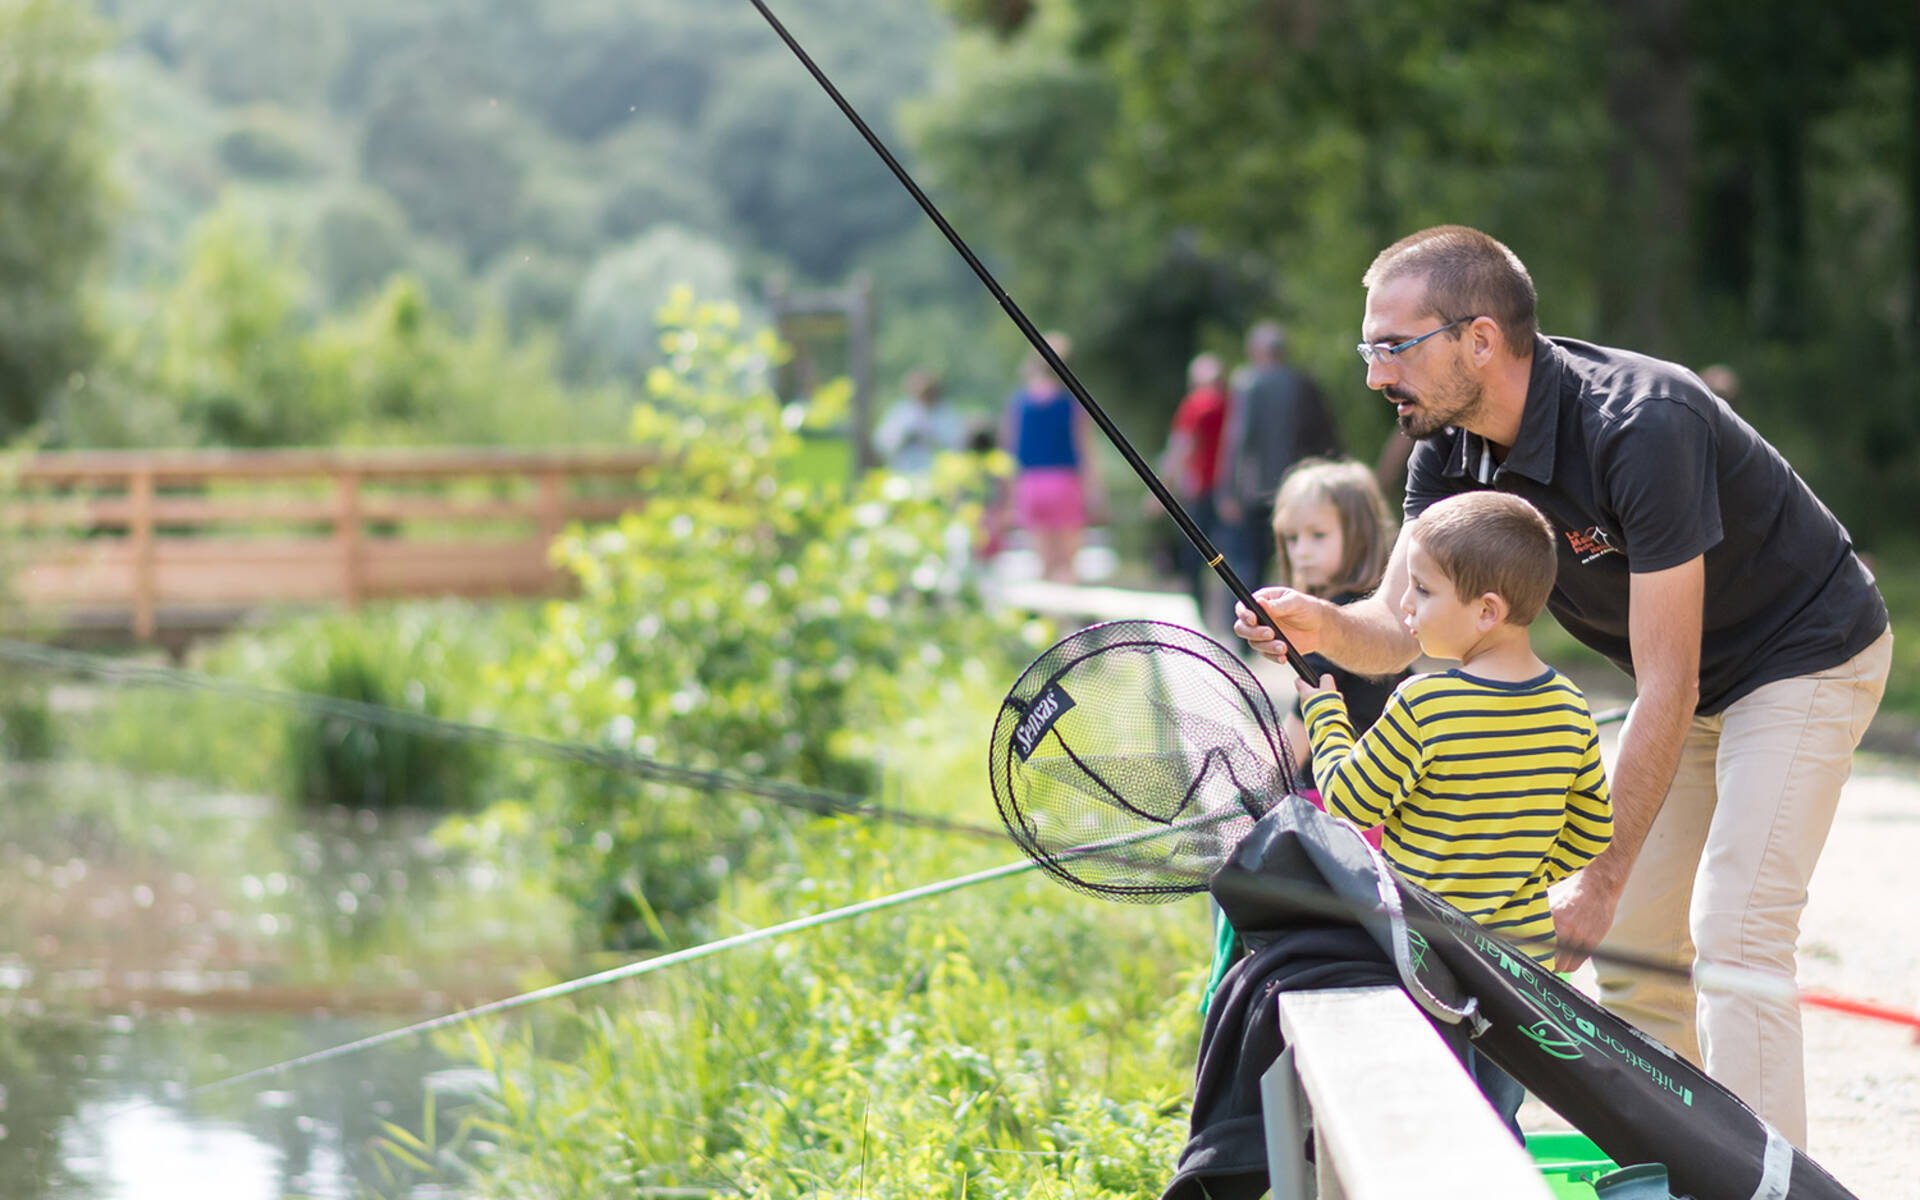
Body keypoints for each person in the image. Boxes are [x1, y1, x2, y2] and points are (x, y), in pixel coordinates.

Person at [1235, 224, 1892, 1147]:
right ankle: (1687, 1163)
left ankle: (1769, 1182)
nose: (1376, 374)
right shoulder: (1447, 449)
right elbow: (1397, 631)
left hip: (1803, 652)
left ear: (1479, 340)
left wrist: (1602, 876)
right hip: (1691, 683)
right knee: (1639, 959)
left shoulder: (1641, 424)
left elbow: (1669, 677)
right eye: (1368, 348)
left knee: (1735, 933)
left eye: (1394, 346)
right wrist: (1319, 625)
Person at [1295, 488, 1614, 1136]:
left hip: (1427, 960)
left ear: (1486, 611)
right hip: (1523, 967)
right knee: (1496, 1122)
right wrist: (1516, 861)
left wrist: (1323, 714)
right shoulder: (1568, 706)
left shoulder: (1424, 704)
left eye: (1422, 590)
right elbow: (1590, 830)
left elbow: (1350, 798)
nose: (1404, 607)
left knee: (1428, 1122)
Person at [1266, 457, 1407, 790]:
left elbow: (1300, 726)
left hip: (1336, 794)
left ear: (1359, 535)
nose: (1301, 551)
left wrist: (1263, 786)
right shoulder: (1377, 613)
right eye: (1292, 538)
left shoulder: (1335, 622)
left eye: (1318, 535)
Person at [1213, 322, 1340, 621]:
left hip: (1255, 491)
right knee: (1298, 559)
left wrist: (1227, 490)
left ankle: (1245, 625)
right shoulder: (1303, 383)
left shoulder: (1248, 383)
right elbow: (1326, 438)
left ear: (1257, 351)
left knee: (1248, 561)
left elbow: (1238, 440)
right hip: (1297, 489)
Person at [1003, 334, 1103, 583]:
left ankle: (1046, 621)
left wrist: (1007, 497)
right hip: (1065, 483)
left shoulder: (1020, 403)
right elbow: (1085, 451)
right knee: (1068, 566)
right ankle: (1069, 621)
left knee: (1043, 565)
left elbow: (1010, 451)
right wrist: (1096, 492)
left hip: (1031, 485)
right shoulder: (1073, 403)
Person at [1155, 352, 1231, 615]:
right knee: (1229, 556)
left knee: (1196, 558)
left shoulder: (1195, 405)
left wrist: (1161, 489)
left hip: (1200, 489)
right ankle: (1227, 614)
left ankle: (1198, 614)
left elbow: (1180, 448)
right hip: (1229, 490)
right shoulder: (1231, 403)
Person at [873, 368, 963, 475]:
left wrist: (933, 438)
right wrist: (906, 436)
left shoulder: (946, 414)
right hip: (903, 472)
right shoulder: (901, 412)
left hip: (937, 476)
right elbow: (881, 443)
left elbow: (957, 443)